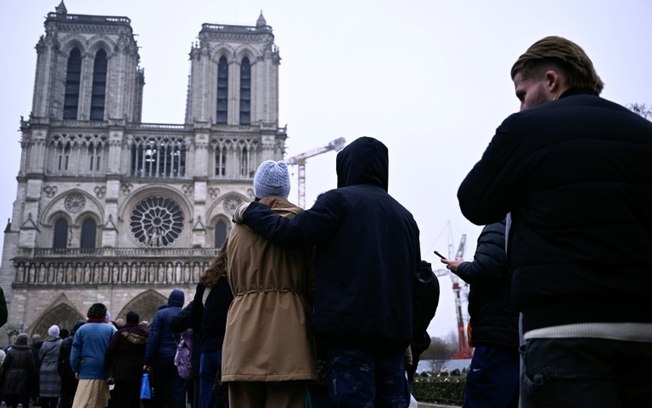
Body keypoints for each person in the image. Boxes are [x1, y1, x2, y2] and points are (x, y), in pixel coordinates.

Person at [457, 36, 652, 407]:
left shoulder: (526, 129)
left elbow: (474, 203)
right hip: (644, 333)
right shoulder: (644, 134)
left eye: (521, 93)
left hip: (563, 331)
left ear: (551, 80)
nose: (520, 106)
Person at [235, 137, 421, 407]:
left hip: (349, 333)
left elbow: (291, 233)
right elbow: (414, 279)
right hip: (394, 336)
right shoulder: (406, 218)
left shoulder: (338, 202)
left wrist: (251, 210)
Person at [222, 160, 317, 408]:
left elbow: (233, 281)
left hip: (242, 332)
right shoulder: (303, 225)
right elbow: (312, 281)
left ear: (258, 189)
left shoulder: (237, 231)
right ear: (286, 190)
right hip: (291, 333)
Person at [440, 220, 519, 407]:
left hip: (496, 336)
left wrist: (461, 267)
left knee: (483, 398)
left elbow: (485, 268)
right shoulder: (524, 224)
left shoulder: (497, 226)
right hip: (518, 334)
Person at [188, 240, 234, 408]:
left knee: (206, 398)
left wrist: (206, 335)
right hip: (229, 348)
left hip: (207, 349)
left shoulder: (206, 283)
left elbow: (194, 318)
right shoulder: (236, 282)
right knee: (228, 398)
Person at [143, 289, 187, 408]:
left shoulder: (161, 314)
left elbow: (153, 338)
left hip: (162, 357)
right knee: (179, 389)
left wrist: (147, 360)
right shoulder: (185, 314)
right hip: (180, 358)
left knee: (160, 388)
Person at [70, 303, 116, 408]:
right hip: (103, 371)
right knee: (100, 403)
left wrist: (75, 368)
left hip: (86, 370)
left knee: (81, 403)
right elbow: (114, 352)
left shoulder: (81, 330)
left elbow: (75, 353)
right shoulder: (110, 330)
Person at [105, 311, 149, 408]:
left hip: (121, 371)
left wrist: (107, 366)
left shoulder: (120, 334)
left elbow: (111, 351)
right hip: (138, 371)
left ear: (127, 320)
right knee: (135, 397)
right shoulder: (145, 334)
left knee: (122, 398)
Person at [2, 332, 36, 408]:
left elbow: (5, 364)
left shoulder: (11, 350)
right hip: (24, 376)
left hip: (11, 375)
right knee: (24, 396)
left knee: (14, 396)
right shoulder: (29, 352)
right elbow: (31, 365)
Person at [58, 321, 84, 408]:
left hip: (66, 372)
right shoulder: (83, 340)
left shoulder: (65, 341)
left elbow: (60, 359)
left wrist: (61, 372)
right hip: (78, 373)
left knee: (65, 396)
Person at [39, 325, 63, 408]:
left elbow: (40, 356)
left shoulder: (45, 344)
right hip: (56, 369)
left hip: (44, 369)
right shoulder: (61, 342)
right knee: (55, 393)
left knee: (44, 392)